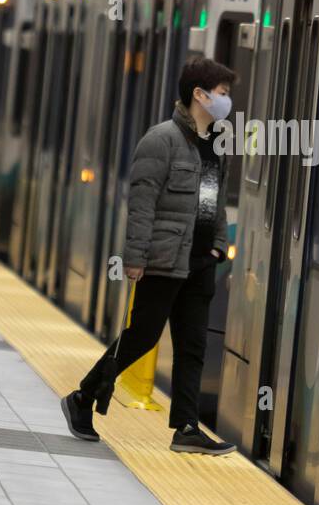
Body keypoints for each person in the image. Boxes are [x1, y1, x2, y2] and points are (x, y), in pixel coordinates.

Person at [62, 57, 238, 456]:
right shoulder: (160, 140)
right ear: (200, 94)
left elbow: (215, 199)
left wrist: (217, 243)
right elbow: (141, 204)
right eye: (224, 94)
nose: (228, 102)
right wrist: (135, 257)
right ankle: (82, 397)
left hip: (201, 261)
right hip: (164, 258)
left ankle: (187, 428)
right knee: (141, 337)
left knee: (194, 345)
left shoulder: (216, 144)